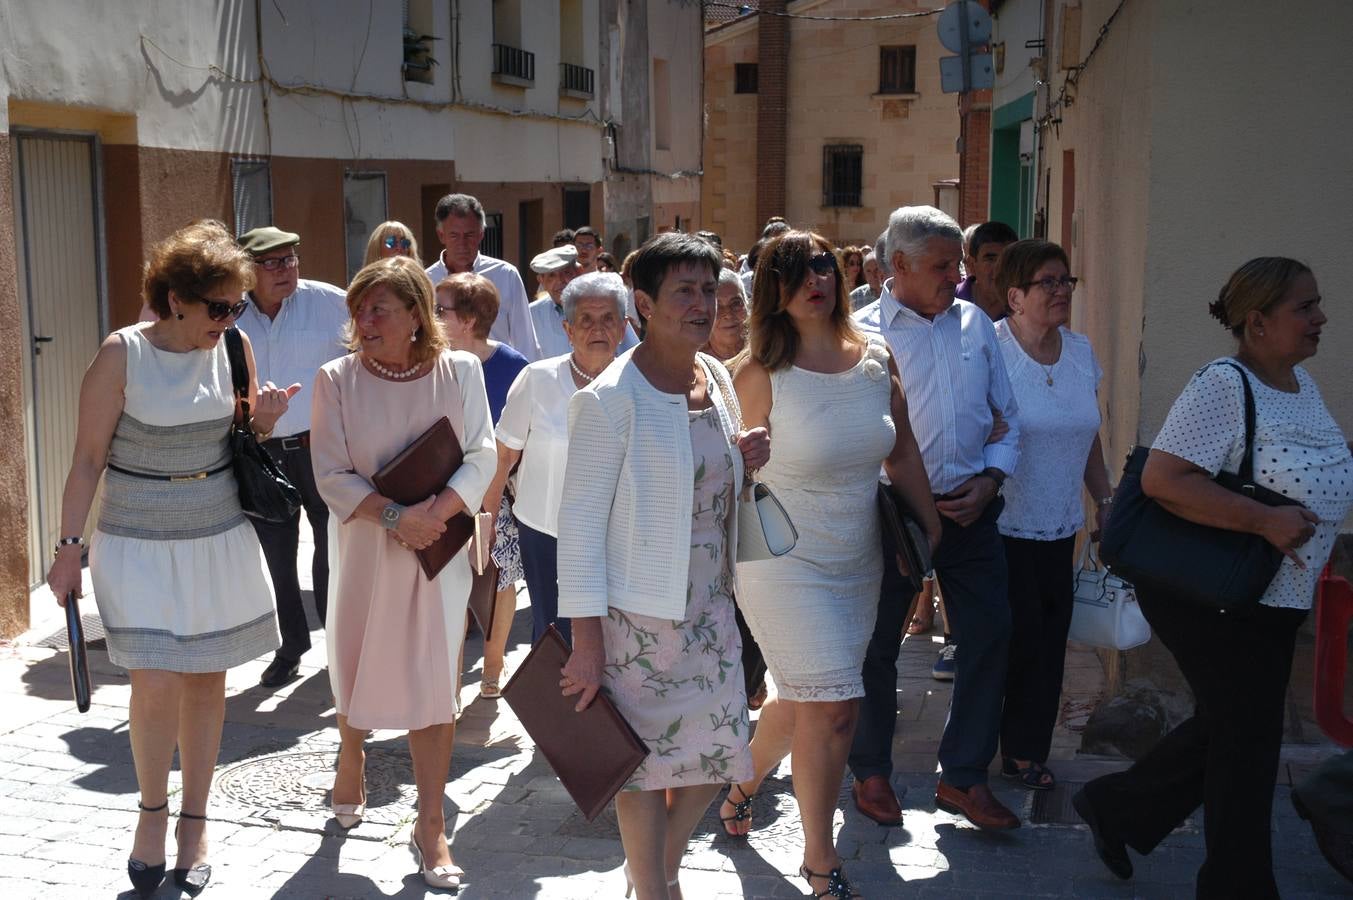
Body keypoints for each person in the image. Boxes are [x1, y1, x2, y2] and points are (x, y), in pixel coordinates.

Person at [1074, 257, 1350, 898]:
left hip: (1277, 594)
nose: (1321, 318)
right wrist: (1262, 520)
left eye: (1317, 304)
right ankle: (1237, 885)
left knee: (1236, 727)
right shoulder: (1223, 384)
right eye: (1304, 308)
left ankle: (1116, 810)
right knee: (1247, 743)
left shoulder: (1299, 386)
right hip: (1211, 594)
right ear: (1257, 322)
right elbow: (1163, 480)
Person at [46, 220, 288, 898]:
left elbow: (240, 438)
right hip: (138, 540)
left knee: (208, 684)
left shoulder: (234, 348)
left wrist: (263, 420)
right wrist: (69, 549)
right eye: (218, 306)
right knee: (154, 685)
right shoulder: (121, 355)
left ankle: (195, 824)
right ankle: (151, 818)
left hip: (216, 535)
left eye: (236, 304)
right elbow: (87, 460)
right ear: (174, 297)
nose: (229, 317)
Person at [720, 231, 940, 899]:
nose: (814, 279)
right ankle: (820, 861)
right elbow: (717, 474)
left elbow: (899, 454)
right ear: (772, 290)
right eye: (794, 271)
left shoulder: (875, 358)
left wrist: (930, 530)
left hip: (857, 554)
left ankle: (740, 785)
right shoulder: (754, 370)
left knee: (806, 699)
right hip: (778, 558)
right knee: (836, 704)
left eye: (822, 265)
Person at [557, 234, 770, 900]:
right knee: (642, 768)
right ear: (642, 305)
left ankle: (657, 867)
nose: (701, 304)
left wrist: (742, 460)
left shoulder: (719, 379)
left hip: (710, 606)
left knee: (719, 753)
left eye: (709, 290)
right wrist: (586, 647)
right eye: (684, 291)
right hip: (635, 617)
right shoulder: (609, 400)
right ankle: (654, 888)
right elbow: (579, 531)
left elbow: (704, 479)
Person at [311, 256, 496, 890]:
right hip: (366, 547)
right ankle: (352, 752)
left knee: (433, 678)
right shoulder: (336, 379)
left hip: (436, 553)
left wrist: (436, 514)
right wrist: (396, 517)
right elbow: (331, 473)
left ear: (416, 315)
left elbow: (482, 454)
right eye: (358, 309)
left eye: (378, 309)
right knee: (355, 659)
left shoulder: (461, 370)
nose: (364, 320)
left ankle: (430, 824)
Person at [851, 205, 1022, 831]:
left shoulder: (976, 324)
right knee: (878, 647)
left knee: (990, 633)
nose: (958, 278)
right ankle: (870, 772)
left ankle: (965, 778)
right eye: (943, 266)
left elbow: (1007, 418)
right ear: (898, 266)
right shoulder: (859, 332)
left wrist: (991, 478)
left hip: (971, 509)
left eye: (959, 264)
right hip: (889, 515)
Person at [991, 240, 1112, 791]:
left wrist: (1105, 500)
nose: (1062, 291)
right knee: (1015, 640)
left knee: (1048, 641)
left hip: (1060, 524)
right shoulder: (991, 351)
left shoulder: (1082, 353)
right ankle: (989, 747)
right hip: (998, 525)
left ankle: (1025, 751)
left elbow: (1087, 435)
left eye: (1067, 281)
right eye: (1049, 282)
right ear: (1015, 295)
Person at [488, 271, 631, 646]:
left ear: (624, 327)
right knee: (554, 635)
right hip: (545, 533)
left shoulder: (640, 384)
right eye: (585, 319)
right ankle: (550, 705)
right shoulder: (536, 380)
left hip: (618, 536)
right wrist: (486, 525)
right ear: (568, 330)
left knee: (615, 637)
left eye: (608, 319)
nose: (596, 328)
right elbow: (503, 458)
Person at [234, 226, 350, 688]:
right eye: (273, 263)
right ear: (248, 271)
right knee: (279, 554)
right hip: (261, 450)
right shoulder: (231, 314)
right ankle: (292, 646)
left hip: (318, 446)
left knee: (331, 549)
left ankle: (336, 645)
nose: (286, 271)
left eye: (291, 259)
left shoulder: (330, 302)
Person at [435, 272, 531, 696]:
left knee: (498, 579)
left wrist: (492, 498)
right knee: (447, 585)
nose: (433, 317)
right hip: (441, 494)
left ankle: (492, 669)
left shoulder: (514, 368)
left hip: (498, 496)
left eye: (442, 310)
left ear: (470, 319)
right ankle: (448, 682)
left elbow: (525, 439)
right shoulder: (432, 363)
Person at [426, 193, 540, 361]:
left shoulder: (506, 275)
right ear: (441, 235)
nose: (462, 244)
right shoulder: (426, 281)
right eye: (454, 235)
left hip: (497, 375)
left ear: (481, 234)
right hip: (444, 377)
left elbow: (525, 340)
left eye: (469, 235)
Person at [958, 221, 1019, 321]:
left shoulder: (1026, 309)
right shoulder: (949, 303)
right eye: (990, 259)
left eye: (1007, 259)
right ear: (972, 265)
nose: (1000, 268)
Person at [703, 268, 749, 361]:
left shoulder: (766, 350)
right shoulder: (694, 363)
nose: (728, 314)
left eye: (736, 303)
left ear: (746, 304)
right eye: (717, 306)